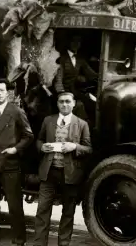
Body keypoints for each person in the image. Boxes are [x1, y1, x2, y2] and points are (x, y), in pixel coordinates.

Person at [33, 92, 92, 246]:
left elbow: (88, 149)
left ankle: (63, 244)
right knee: (42, 211)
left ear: (73, 104)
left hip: (70, 174)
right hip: (49, 172)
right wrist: (42, 147)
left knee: (68, 213)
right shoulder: (48, 121)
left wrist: (74, 146)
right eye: (61, 102)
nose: (64, 104)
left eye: (67, 101)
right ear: (57, 104)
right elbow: (38, 140)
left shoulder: (82, 124)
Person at [0, 78, 34, 246]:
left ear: (8, 93)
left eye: (1, 90)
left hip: (9, 164)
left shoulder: (16, 111)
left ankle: (19, 240)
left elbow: (28, 136)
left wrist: (15, 149)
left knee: (14, 205)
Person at [54, 34, 97, 123]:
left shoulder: (80, 59)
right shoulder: (61, 58)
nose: (76, 44)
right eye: (74, 41)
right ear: (69, 43)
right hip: (63, 92)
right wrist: (62, 94)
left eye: (79, 42)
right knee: (79, 105)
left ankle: (89, 125)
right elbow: (58, 79)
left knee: (93, 103)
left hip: (74, 91)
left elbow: (91, 74)